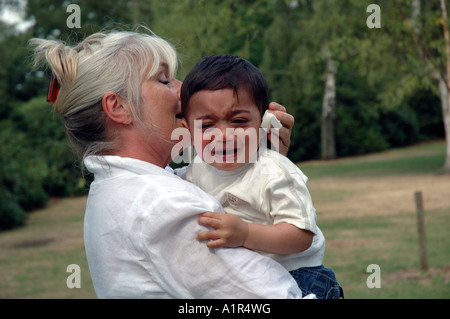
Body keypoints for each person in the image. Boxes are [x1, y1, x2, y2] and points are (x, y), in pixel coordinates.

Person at [29, 29, 310, 298]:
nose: (183, 91)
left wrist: (260, 165)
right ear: (119, 107)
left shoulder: (121, 188)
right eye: (164, 80)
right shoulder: (164, 205)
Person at [178, 54, 343, 299]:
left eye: (239, 121)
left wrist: (245, 233)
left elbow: (301, 234)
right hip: (254, 281)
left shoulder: (274, 171)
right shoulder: (194, 171)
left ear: (265, 122)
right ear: (188, 131)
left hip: (300, 277)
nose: (224, 135)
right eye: (207, 125)